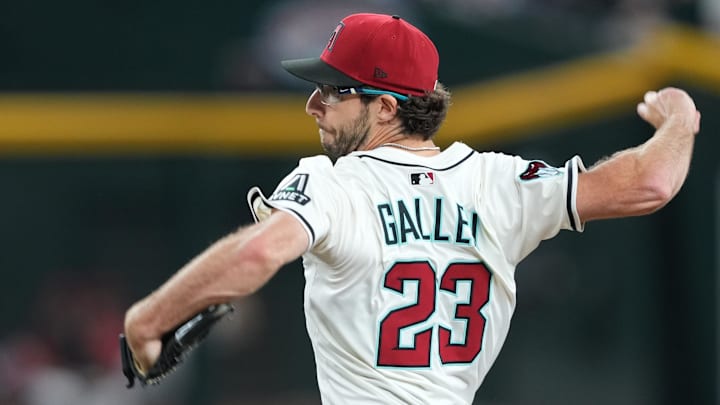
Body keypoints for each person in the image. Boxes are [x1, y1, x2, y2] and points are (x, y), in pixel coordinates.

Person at [123, 13, 701, 404]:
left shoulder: (330, 182)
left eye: (334, 90)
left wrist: (146, 321)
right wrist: (681, 119)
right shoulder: (497, 182)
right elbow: (652, 182)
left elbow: (254, 253)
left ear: (386, 108)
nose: (313, 104)